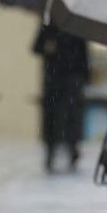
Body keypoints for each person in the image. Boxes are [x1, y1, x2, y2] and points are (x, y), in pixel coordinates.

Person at [34, 24, 90, 171]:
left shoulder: (77, 26)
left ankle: (73, 148)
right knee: (53, 117)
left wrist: (83, 77)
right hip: (54, 79)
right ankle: (51, 150)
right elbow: (36, 47)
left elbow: (83, 54)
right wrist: (46, 46)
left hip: (72, 79)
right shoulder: (48, 26)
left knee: (72, 115)